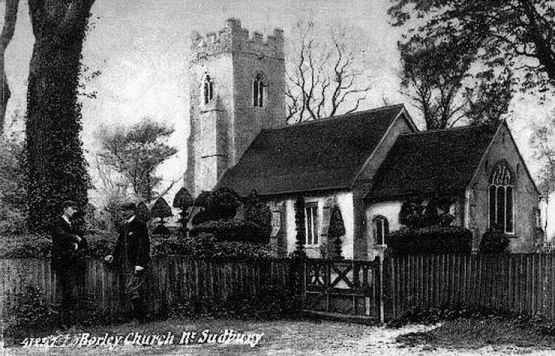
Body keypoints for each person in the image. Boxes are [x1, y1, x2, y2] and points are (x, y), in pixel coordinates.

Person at [105, 202, 151, 322]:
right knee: (129, 289)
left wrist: (140, 264)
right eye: (122, 211)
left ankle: (141, 317)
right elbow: (119, 244)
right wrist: (112, 255)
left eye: (125, 210)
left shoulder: (140, 225)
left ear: (132, 211)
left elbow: (145, 246)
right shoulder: (124, 225)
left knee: (133, 289)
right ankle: (137, 317)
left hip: (135, 264)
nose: (123, 213)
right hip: (125, 263)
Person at [51, 200, 88, 325]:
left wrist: (78, 241)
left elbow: (83, 241)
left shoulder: (72, 224)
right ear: (65, 209)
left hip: (72, 262)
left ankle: (71, 322)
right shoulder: (57, 223)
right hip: (62, 263)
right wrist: (75, 239)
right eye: (73, 208)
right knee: (65, 292)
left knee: (72, 291)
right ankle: (63, 322)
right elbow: (61, 236)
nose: (75, 211)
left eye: (75, 209)